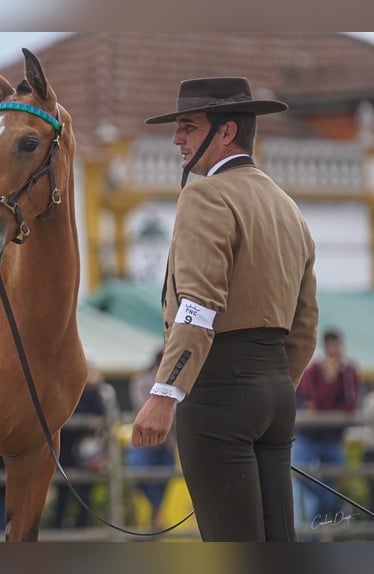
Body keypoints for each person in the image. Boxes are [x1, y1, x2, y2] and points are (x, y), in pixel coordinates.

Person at [131, 77, 319, 542]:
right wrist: (273, 384)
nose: (177, 139)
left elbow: (198, 305)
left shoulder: (204, 195)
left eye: (189, 127)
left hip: (219, 391)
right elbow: (306, 323)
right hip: (276, 390)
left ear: (227, 131)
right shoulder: (286, 205)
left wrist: (164, 393)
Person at [293, 328, 360, 526]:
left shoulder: (349, 372)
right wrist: (329, 382)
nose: (336, 352)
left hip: (333, 439)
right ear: (326, 347)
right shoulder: (312, 370)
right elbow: (311, 400)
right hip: (307, 438)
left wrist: (323, 406)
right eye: (332, 347)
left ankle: (315, 538)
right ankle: (335, 510)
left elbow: (350, 405)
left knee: (332, 485)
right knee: (301, 477)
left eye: (339, 346)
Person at [51, 358, 108, 529]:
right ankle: (59, 528)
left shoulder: (91, 391)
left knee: (83, 494)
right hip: (66, 449)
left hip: (84, 450)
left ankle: (75, 528)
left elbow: (101, 417)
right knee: (63, 493)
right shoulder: (64, 389)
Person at [126, 349, 176, 530]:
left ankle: (156, 513)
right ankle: (156, 512)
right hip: (144, 441)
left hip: (167, 441)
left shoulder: (178, 382)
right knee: (138, 475)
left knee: (165, 479)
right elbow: (143, 408)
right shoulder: (141, 380)